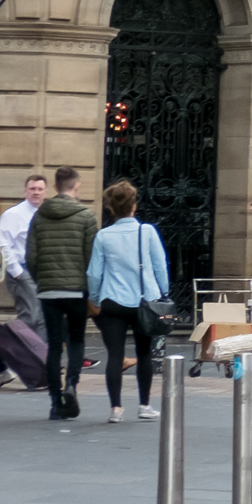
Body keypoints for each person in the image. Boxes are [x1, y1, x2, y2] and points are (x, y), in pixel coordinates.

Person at [83, 181, 170, 424]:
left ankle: (116, 409)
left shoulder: (103, 235)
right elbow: (160, 264)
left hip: (112, 303)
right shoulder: (147, 232)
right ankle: (144, 405)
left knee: (115, 355)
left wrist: (95, 298)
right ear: (134, 206)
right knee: (144, 353)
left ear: (111, 208)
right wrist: (163, 292)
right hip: (144, 302)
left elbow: (94, 274)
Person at [28, 167, 95, 420]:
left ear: (54, 186)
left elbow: (31, 258)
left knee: (54, 345)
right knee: (76, 340)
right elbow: (91, 259)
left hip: (48, 290)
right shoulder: (87, 216)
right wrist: (89, 288)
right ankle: (72, 385)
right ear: (76, 185)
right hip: (76, 289)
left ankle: (55, 401)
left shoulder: (39, 216)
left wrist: (42, 281)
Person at [0, 173, 47, 282]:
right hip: (24, 271)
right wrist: (17, 272)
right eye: (32, 189)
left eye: (40, 189)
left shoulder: (48, 214)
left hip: (44, 273)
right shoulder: (12, 215)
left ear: (45, 192)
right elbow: (3, 245)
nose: (36, 192)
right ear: (25, 191)